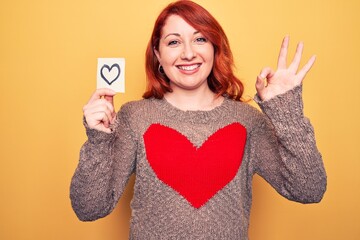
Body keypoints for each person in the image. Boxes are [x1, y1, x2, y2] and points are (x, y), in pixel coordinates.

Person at [70, 0, 327, 239]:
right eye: (173, 42)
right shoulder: (134, 117)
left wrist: (286, 109)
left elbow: (309, 189)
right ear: (158, 55)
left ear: (215, 48)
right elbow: (90, 208)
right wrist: (98, 140)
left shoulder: (247, 121)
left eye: (200, 39)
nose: (188, 53)